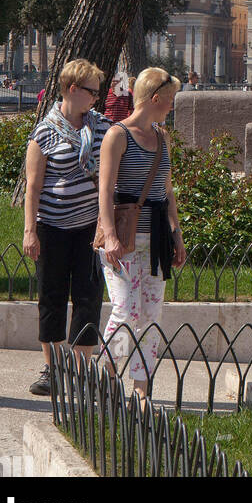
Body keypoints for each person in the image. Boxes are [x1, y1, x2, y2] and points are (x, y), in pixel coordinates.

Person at [97, 67, 186, 401]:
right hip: (123, 237)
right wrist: (110, 236)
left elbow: (167, 191)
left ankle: (140, 391)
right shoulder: (117, 135)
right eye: (171, 99)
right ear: (156, 98)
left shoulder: (162, 138)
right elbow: (104, 191)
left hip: (156, 239)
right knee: (126, 311)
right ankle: (105, 371)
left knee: (150, 316)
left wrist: (177, 235)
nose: (172, 106)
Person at [23, 58, 110, 397]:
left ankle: (81, 368)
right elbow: (32, 186)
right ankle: (53, 368)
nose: (96, 99)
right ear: (73, 89)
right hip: (52, 227)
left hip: (90, 227)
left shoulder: (101, 127)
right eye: (92, 92)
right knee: (52, 296)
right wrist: (30, 231)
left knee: (89, 297)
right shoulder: (44, 131)